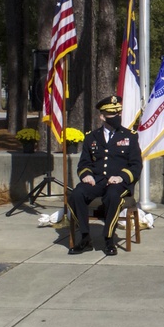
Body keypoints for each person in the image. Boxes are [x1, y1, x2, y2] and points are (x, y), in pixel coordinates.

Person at [66, 95, 143, 255]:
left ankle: (108, 239)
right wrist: (86, 175)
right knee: (76, 194)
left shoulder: (130, 136)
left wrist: (122, 177)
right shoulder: (91, 137)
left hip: (119, 183)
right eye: (112, 114)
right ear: (102, 116)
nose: (116, 117)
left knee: (112, 196)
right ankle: (85, 238)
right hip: (97, 181)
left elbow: (136, 165)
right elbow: (84, 163)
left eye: (118, 113)